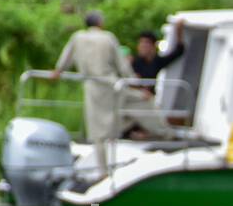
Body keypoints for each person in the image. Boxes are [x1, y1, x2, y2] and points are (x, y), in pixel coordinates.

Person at [50, 10, 173, 176]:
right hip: (111, 87)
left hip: (92, 88)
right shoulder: (107, 37)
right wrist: (135, 83)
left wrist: (58, 71)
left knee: (98, 132)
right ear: (100, 22)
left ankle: (103, 171)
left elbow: (66, 58)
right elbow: (122, 66)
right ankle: (165, 134)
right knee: (141, 102)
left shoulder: (77, 37)